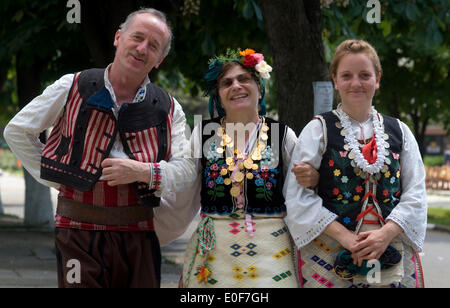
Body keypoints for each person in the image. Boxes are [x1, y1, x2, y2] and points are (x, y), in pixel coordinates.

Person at [4, 8, 198, 288]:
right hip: (77, 234)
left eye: (153, 46)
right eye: (137, 37)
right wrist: (58, 176)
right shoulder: (72, 85)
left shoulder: (169, 107)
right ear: (119, 37)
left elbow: (188, 169)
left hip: (139, 237)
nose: (142, 48)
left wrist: (145, 171)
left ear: (160, 59)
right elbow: (18, 131)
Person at [286, 39, 427, 288]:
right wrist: (348, 239)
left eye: (364, 75)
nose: (356, 83)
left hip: (390, 246)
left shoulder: (400, 131)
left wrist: (385, 234)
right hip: (329, 252)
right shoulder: (318, 130)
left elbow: (415, 192)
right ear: (335, 80)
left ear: (378, 79)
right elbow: (298, 196)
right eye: (347, 75)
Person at [180, 48, 319, 288]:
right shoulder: (202, 134)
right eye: (227, 83)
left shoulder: (283, 135)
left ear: (259, 88)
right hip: (214, 250)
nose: (236, 86)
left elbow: (300, 192)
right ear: (218, 95)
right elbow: (180, 181)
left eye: (243, 79)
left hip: (272, 250)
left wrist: (314, 178)